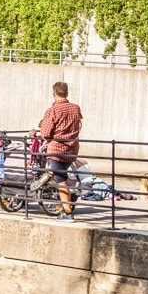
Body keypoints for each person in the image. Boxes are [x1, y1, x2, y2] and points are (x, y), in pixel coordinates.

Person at [36, 81, 83, 220]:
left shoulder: (53, 110)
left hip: (56, 149)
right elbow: (79, 125)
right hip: (72, 149)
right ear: (67, 93)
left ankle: (67, 213)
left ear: (53, 93)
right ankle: (51, 174)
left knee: (61, 181)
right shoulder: (76, 108)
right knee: (61, 174)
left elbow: (45, 133)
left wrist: (53, 137)